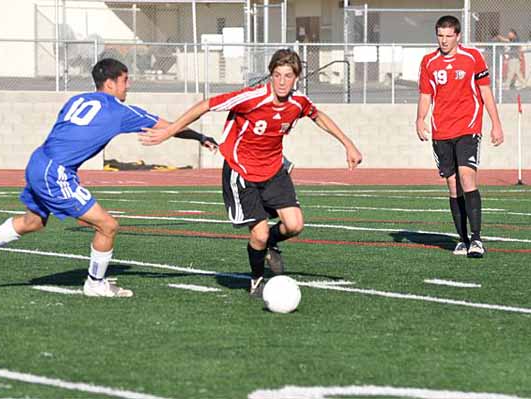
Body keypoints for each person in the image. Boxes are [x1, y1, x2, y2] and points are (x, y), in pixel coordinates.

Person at [0, 58, 217, 296]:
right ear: (110, 84)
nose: (128, 86)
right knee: (108, 225)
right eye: (124, 80)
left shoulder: (77, 99)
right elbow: (170, 127)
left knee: (33, 222)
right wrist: (200, 137)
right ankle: (95, 283)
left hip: (39, 161)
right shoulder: (118, 110)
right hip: (56, 172)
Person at [139, 49, 363, 297]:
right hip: (242, 172)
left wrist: (348, 143)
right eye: (277, 75)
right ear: (270, 75)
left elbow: (317, 115)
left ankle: (272, 244)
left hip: (274, 170)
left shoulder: (298, 102)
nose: (281, 81)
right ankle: (256, 279)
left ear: (296, 78)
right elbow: (205, 105)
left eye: (287, 76)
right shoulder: (251, 98)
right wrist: (169, 131)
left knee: (295, 225)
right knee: (259, 233)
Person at [416, 15, 504, 258]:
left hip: (468, 127)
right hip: (441, 131)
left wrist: (496, 124)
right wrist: (420, 118)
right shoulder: (428, 62)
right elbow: (426, 95)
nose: (444, 41)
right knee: (453, 185)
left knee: (467, 179)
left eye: (448, 36)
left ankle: (476, 239)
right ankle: (463, 240)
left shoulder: (472, 58)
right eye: (440, 36)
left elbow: (485, 92)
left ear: (458, 36)